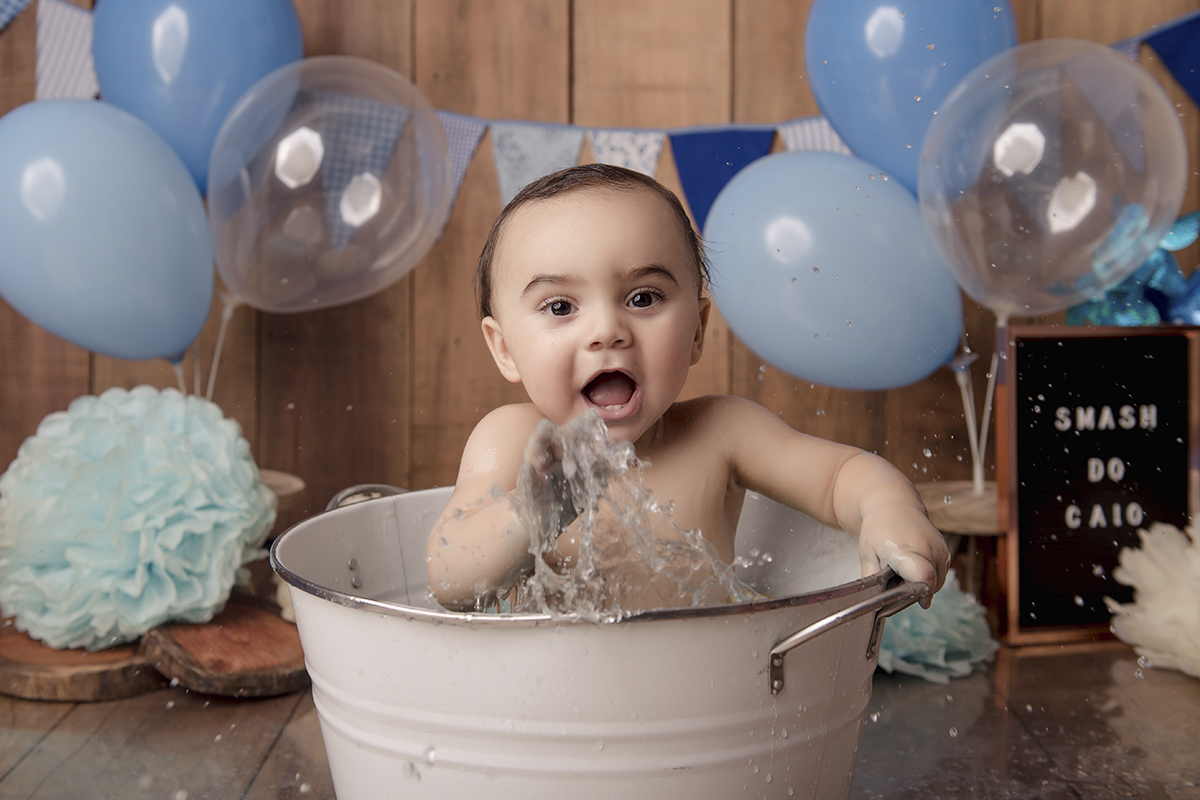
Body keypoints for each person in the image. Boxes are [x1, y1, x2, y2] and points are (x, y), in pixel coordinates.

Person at [426, 164, 949, 611]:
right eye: (560, 306)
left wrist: (888, 510)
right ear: (505, 349)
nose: (607, 330)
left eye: (643, 298)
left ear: (697, 331)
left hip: (709, 687)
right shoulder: (510, 439)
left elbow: (839, 478)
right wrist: (534, 511)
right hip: (551, 693)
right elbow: (451, 579)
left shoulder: (723, 432)